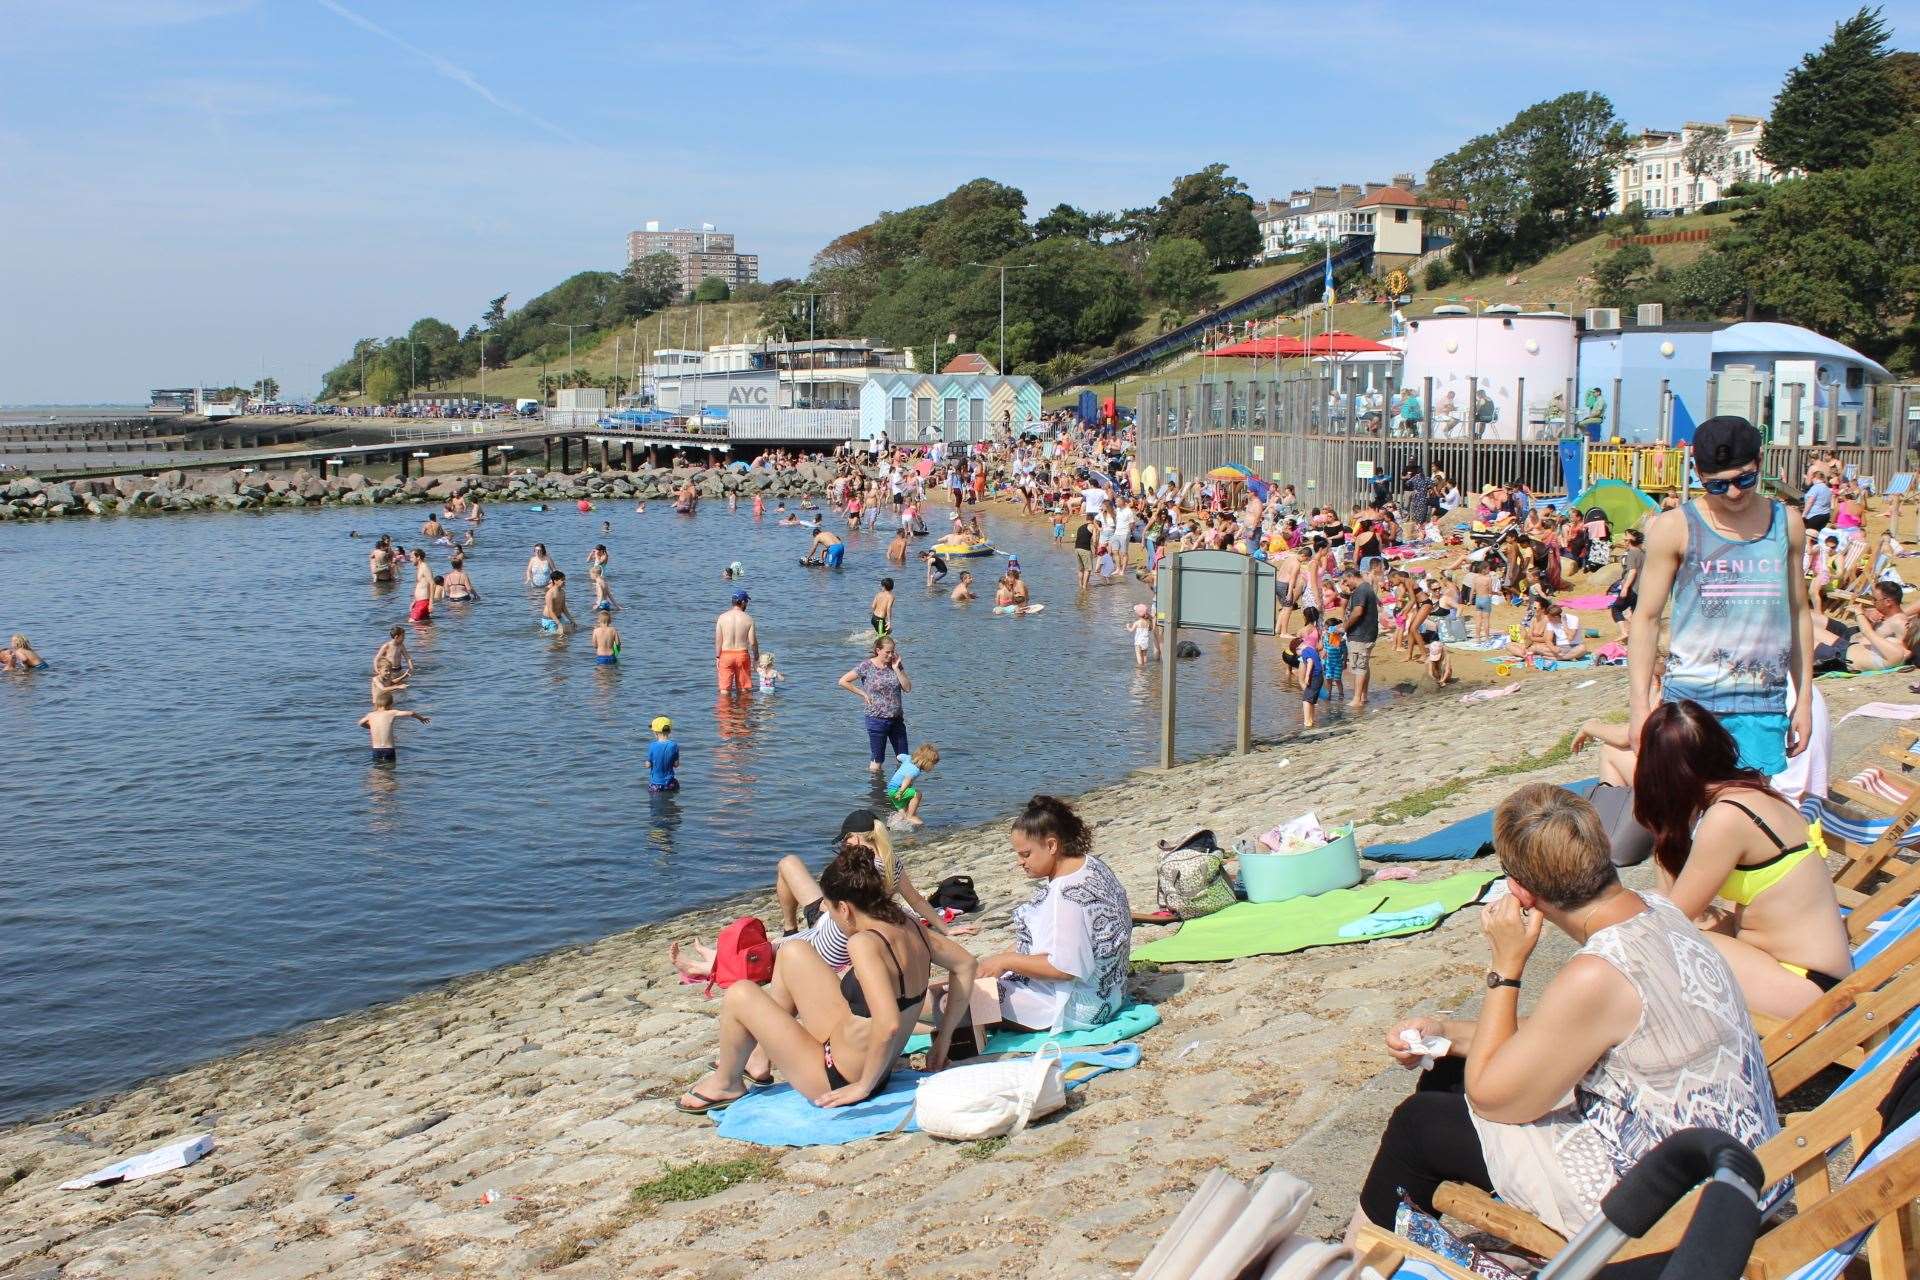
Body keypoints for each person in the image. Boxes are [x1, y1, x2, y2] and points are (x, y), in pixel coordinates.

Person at [1351, 783, 1780, 1243]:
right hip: (1736, 1167)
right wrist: (1450, 1035)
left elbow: (1492, 1097)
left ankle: (1356, 1262)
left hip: (1671, 1208)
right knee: (1448, 1074)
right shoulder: (1660, 912)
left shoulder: (1599, 973)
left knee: (1418, 1125)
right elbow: (1571, 1033)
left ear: (1520, 892)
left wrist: (1506, 967)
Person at [679, 838, 977, 1113]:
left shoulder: (864, 943)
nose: (833, 917)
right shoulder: (910, 926)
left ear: (844, 908)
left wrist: (863, 1087)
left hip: (836, 1076)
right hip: (864, 1058)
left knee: (740, 993)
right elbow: (965, 964)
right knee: (793, 951)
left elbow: (887, 1024)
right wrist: (943, 1041)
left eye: (831, 911)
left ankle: (726, 1083)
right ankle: (759, 1059)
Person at [1633, 700, 1852, 1018]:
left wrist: (1665, 827)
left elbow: (1673, 917)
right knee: (1653, 915)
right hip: (1811, 975)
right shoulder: (1755, 792)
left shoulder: (1727, 818)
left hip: (1806, 986)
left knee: (1656, 941)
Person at [1630, 416, 1811, 777]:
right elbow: (1646, 618)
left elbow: (1798, 612)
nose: (1733, 493)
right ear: (1697, 473)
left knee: (1749, 810)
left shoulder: (1786, 523)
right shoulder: (1674, 527)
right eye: (1717, 486)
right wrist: (1639, 707)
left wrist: (1803, 698)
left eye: (1744, 479)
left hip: (1761, 701)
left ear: (1759, 462)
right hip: (1691, 700)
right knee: (1688, 809)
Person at [977, 796, 1131, 1032]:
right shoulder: (1090, 865)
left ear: (1051, 845)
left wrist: (1005, 961)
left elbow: (1063, 969)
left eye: (1025, 854)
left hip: (1080, 1006)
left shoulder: (1067, 895)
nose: (1020, 862)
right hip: (1112, 992)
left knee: (959, 999)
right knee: (969, 982)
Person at [840, 634, 910, 774]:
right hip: (876, 719)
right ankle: (877, 792)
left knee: (904, 759)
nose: (890, 655)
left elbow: (907, 688)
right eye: (887, 652)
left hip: (896, 719)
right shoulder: (867, 666)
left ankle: (902, 790)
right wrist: (863, 693)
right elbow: (843, 681)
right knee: (877, 760)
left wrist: (897, 668)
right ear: (878, 650)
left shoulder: (896, 664)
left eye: (892, 652)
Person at [1338, 567, 1378, 710]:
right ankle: (1363, 696)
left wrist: (1345, 627)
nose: (1345, 584)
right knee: (1364, 664)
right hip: (1369, 633)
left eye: (1346, 581)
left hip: (1361, 634)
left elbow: (1358, 611)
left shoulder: (1361, 590)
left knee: (1359, 667)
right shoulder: (1367, 587)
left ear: (1351, 577)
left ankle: (1357, 699)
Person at [358, 688, 428, 764]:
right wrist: (421, 718)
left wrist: (371, 727)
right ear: (391, 703)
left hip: (376, 749)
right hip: (389, 749)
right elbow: (411, 713)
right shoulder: (392, 712)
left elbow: (360, 723)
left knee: (377, 770)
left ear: (377, 703)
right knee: (389, 771)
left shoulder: (370, 715)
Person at [714, 591, 758, 692]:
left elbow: (718, 640)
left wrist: (717, 657)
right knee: (743, 690)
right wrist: (756, 657)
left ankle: (725, 707)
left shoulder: (722, 618)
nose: (747, 604)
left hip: (726, 655)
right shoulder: (748, 619)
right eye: (746, 601)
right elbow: (752, 642)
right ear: (742, 602)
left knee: (724, 690)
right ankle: (742, 707)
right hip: (742, 655)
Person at [886, 743, 939, 825]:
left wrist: (901, 759)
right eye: (932, 764)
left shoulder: (908, 758)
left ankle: (891, 826)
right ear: (926, 762)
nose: (932, 767)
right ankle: (911, 816)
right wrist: (901, 792)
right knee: (917, 794)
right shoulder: (915, 770)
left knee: (902, 815)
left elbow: (899, 757)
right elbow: (907, 780)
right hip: (898, 790)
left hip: (890, 790)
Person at [1609, 528, 1644, 642]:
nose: (1624, 542)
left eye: (1625, 540)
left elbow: (1632, 571)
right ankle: (1636, 635)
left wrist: (1625, 588)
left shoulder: (1632, 553)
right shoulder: (1643, 552)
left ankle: (1625, 632)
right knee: (1634, 611)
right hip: (1641, 588)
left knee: (1616, 608)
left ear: (1630, 542)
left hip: (1632, 587)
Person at [373, 625, 413, 693]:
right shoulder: (387, 646)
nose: (404, 638)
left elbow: (407, 657)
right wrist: (377, 670)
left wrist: (411, 667)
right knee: (391, 687)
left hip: (399, 669)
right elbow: (376, 659)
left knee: (402, 687)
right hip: (390, 671)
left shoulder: (401, 646)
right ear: (396, 637)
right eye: (403, 636)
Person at [647, 716, 680, 792]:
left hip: (656, 784)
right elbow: (676, 765)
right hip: (670, 783)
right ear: (669, 731)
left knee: (654, 802)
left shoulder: (652, 745)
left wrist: (647, 763)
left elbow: (648, 765)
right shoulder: (674, 745)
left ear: (655, 732)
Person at [408, 549, 433, 623]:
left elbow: (432, 583)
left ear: (418, 557)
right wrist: (414, 600)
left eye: (412, 557)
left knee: (412, 622)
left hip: (423, 602)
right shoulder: (419, 568)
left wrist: (431, 603)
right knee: (424, 625)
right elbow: (419, 585)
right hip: (419, 602)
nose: (410, 559)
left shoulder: (424, 567)